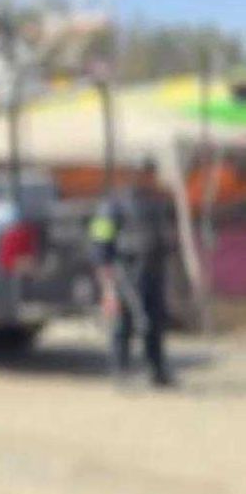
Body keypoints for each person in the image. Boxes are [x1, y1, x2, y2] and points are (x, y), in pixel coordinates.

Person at [90, 158, 175, 388]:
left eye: (151, 173)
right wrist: (105, 269)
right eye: (145, 173)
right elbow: (100, 237)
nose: (149, 178)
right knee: (123, 322)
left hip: (153, 270)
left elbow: (166, 235)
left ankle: (157, 370)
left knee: (153, 322)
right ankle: (120, 371)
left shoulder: (157, 201)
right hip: (126, 271)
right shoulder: (114, 203)